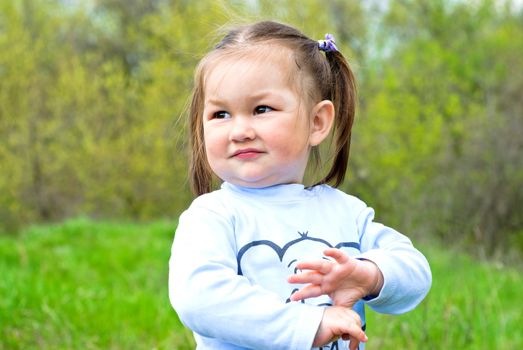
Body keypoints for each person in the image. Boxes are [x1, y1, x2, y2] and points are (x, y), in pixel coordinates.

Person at [169, 20, 432, 350]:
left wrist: (369, 275)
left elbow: (416, 271)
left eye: (261, 109)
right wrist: (309, 325)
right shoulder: (214, 215)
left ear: (317, 122)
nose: (239, 131)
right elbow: (199, 298)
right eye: (220, 114)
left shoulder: (344, 212)